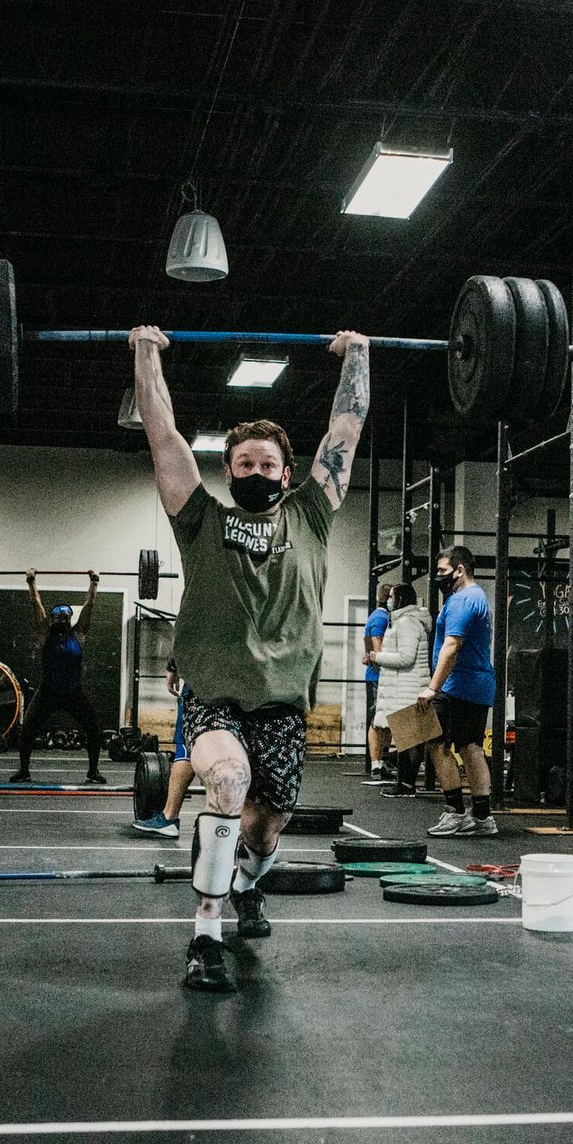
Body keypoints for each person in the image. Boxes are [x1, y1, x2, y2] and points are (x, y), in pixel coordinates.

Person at [133, 324, 367, 992]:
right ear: (228, 471)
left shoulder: (312, 517)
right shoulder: (199, 518)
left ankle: (245, 885)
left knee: (265, 831)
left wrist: (359, 356)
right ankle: (204, 936)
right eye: (245, 465)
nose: (257, 473)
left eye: (268, 466)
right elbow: (163, 435)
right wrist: (146, 354)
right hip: (214, 699)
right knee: (228, 783)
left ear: (287, 474)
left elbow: (344, 429)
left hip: (284, 709)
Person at [421, 546, 498, 837]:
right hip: (474, 684)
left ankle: (456, 812)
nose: (439, 577)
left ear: (460, 570)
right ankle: (482, 818)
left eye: (442, 571)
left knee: (435, 743)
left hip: (458, 686)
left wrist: (432, 688)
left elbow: (451, 647)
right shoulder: (475, 597)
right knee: (470, 746)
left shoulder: (463, 600)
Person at [10, 569, 107, 785]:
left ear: (70, 619)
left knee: (93, 729)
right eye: (58, 616)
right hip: (48, 692)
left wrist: (94, 582)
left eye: (65, 616)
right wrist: (31, 580)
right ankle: (24, 771)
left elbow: (89, 605)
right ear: (52, 619)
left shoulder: (79, 634)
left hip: (74, 693)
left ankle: (93, 772)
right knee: (27, 730)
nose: (62, 619)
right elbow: (36, 603)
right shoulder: (45, 635)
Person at [370, 582, 432, 799]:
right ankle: (405, 784)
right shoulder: (403, 621)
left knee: (410, 740)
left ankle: (406, 785)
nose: (389, 599)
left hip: (409, 687)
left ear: (400, 599)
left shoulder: (407, 623)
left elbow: (406, 657)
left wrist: (377, 657)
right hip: (406, 686)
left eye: (392, 596)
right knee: (407, 739)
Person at [132, 658, 191, 840]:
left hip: (205, 683)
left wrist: (172, 667)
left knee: (186, 749)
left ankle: (169, 818)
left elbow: (186, 634)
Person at [362, 582, 394, 783]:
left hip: (382, 676)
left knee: (387, 720)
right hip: (377, 677)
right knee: (377, 720)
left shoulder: (379, 616)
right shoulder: (381, 617)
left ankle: (383, 762)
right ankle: (376, 765)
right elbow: (376, 649)